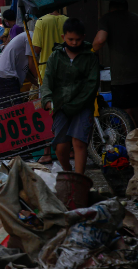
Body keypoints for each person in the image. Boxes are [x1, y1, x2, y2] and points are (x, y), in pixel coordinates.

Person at [42, 18, 99, 175]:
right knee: (60, 146)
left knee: (79, 142)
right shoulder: (55, 57)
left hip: (83, 106)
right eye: (70, 39)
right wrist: (47, 99)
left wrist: (75, 105)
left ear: (84, 37)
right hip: (60, 106)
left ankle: (79, 178)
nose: (74, 43)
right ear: (63, 37)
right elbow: (47, 80)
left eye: (78, 39)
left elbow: (91, 86)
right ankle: (68, 173)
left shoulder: (90, 57)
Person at [93, 0, 138, 123]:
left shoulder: (107, 18)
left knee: (125, 113)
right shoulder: (135, 18)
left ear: (110, 8)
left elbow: (100, 40)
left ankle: (132, 141)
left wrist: (89, 51)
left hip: (122, 75)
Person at [33, 10, 68, 164]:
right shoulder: (68, 20)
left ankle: (47, 152)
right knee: (68, 111)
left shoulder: (41, 22)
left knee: (46, 113)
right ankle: (71, 150)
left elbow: (36, 49)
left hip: (46, 73)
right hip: (67, 71)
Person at [0, 32, 38, 107]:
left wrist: (37, 83)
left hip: (4, 74)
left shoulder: (27, 37)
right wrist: (42, 81)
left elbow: (25, 70)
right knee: (15, 109)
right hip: (7, 76)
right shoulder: (31, 38)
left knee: (7, 107)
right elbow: (31, 65)